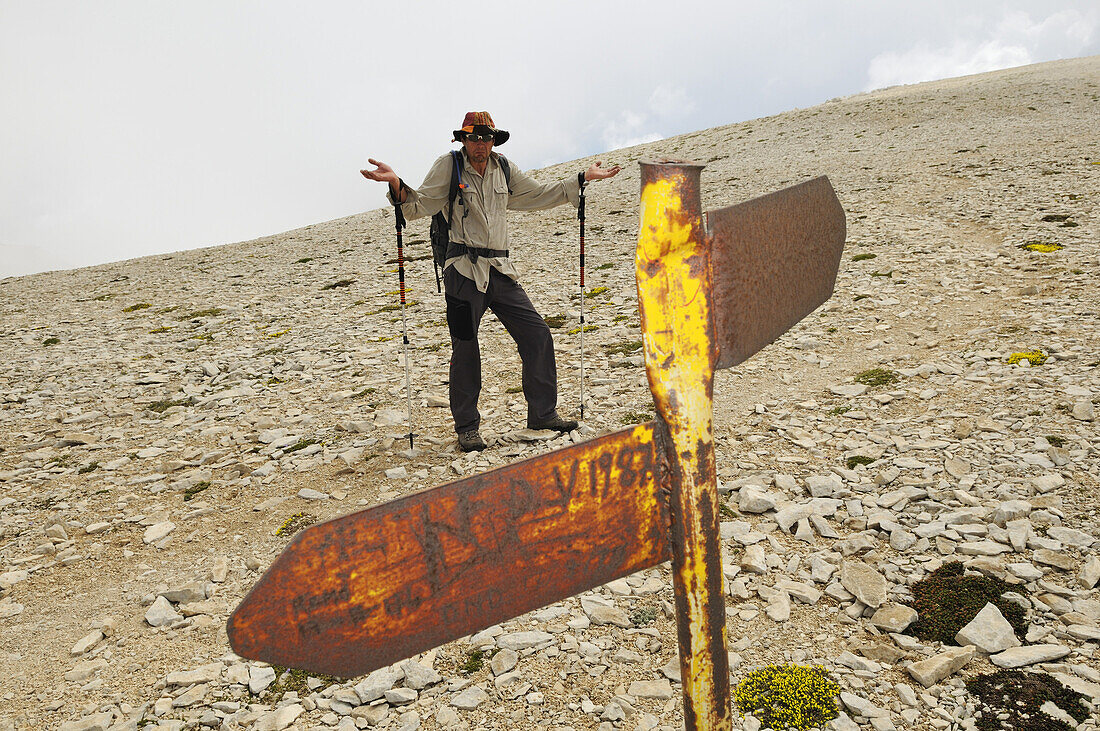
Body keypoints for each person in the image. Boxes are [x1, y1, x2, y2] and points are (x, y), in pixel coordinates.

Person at [361, 111, 621, 452]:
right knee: (465, 347)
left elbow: (539, 195)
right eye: (474, 138)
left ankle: (543, 414)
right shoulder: (449, 166)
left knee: (537, 333)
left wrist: (580, 179)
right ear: (462, 139)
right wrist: (396, 183)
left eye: (486, 138)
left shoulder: (505, 169)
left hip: (500, 270)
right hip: (461, 272)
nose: (480, 144)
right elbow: (420, 205)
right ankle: (467, 428)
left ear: (493, 140)